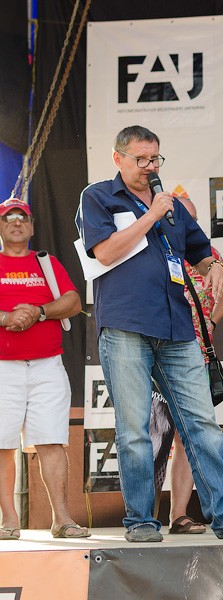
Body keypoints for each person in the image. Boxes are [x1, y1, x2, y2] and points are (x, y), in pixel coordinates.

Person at [75, 125, 223, 542]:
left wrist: (214, 267)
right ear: (118, 158)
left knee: (201, 421)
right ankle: (140, 522)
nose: (150, 167)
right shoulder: (99, 197)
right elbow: (105, 252)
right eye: (141, 159)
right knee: (134, 430)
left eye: (155, 159)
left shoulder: (172, 207)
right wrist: (151, 215)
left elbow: (200, 252)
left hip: (178, 328)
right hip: (126, 326)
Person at [0, 197, 89, 540]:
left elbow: (73, 301)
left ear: (33, 226)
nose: (16, 222)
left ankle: (61, 519)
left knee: (52, 441)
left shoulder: (47, 263)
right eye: (9, 218)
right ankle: (9, 519)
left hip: (47, 366)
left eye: (22, 217)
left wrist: (38, 312)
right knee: (2, 444)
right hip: (4, 368)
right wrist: (6, 318)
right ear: (1, 227)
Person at [158, 196, 223, 535]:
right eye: (176, 216)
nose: (182, 224)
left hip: (197, 356)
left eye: (189, 219)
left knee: (188, 438)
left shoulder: (210, 256)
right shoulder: (154, 249)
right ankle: (143, 518)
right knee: (150, 437)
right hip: (156, 354)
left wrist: (212, 323)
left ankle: (178, 516)